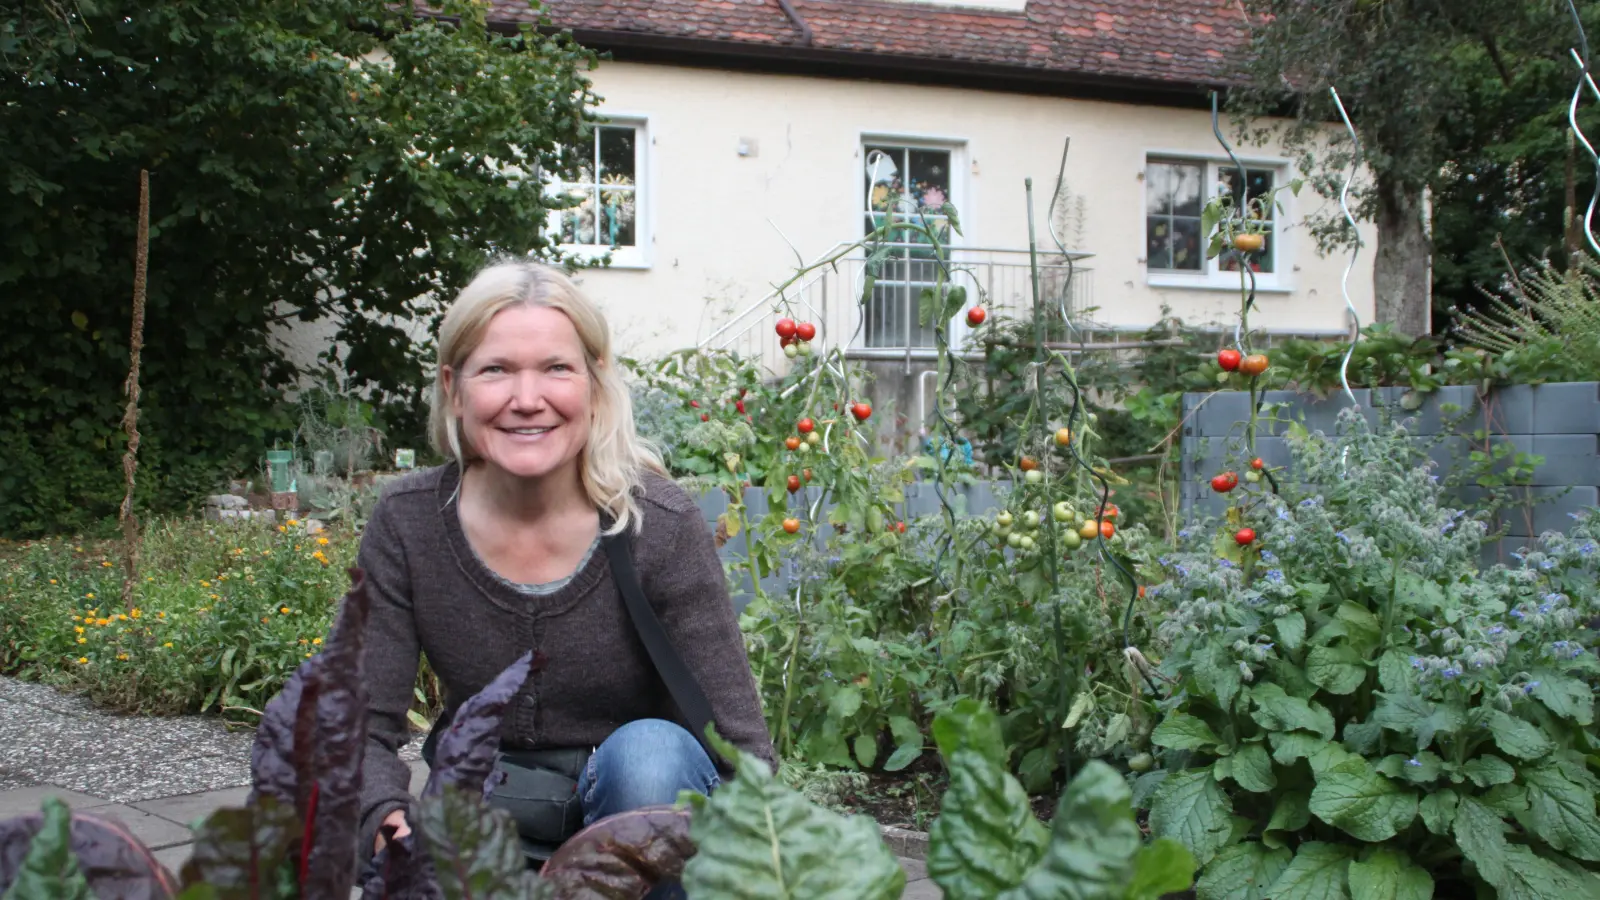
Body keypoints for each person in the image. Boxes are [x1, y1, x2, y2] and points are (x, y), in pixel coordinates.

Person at [352, 260, 774, 883]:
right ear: (454, 385)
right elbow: (359, 725)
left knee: (651, 755)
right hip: (486, 811)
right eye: (496, 370)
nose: (528, 400)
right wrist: (382, 814)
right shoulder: (408, 522)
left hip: (638, 825)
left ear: (595, 383)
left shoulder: (656, 523)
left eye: (556, 368)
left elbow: (737, 738)